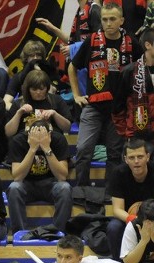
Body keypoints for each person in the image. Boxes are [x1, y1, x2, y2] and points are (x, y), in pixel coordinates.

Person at [68, 2, 139, 186]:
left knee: (115, 155)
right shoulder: (91, 41)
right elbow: (72, 67)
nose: (108, 23)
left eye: (112, 19)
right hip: (94, 107)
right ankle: (81, 193)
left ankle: (111, 194)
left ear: (121, 20)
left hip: (120, 110)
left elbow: (143, 70)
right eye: (105, 19)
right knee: (83, 150)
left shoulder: (132, 43)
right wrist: (76, 95)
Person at [7, 120, 72, 233]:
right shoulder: (18, 141)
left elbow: (62, 176)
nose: (39, 141)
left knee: (65, 188)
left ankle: (58, 232)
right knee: (14, 188)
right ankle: (20, 233)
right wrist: (32, 149)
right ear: (29, 135)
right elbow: (17, 177)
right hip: (26, 185)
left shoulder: (58, 139)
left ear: (49, 135)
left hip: (51, 184)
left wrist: (47, 148)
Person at [106, 139, 154, 261]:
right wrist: (133, 221)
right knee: (113, 227)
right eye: (132, 158)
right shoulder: (118, 173)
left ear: (148, 157)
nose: (136, 161)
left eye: (140, 156)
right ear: (126, 159)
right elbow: (117, 210)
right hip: (128, 218)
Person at [112, 28, 154, 142]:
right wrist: (126, 132)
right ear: (148, 45)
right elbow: (118, 108)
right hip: (138, 136)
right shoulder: (129, 71)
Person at [5, 70, 72, 138]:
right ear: (28, 89)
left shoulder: (56, 100)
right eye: (34, 89)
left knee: (60, 139)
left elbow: (67, 128)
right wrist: (19, 113)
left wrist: (55, 114)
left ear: (47, 88)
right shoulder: (18, 103)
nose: (38, 92)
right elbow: (8, 133)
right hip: (25, 139)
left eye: (41, 89)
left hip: (51, 138)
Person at [3, 41, 59, 110]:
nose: (35, 58)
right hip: (26, 110)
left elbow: (52, 92)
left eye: (38, 55)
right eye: (32, 56)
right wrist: (20, 111)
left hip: (47, 111)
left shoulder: (50, 72)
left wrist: (39, 72)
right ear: (26, 58)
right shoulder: (19, 76)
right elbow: (6, 102)